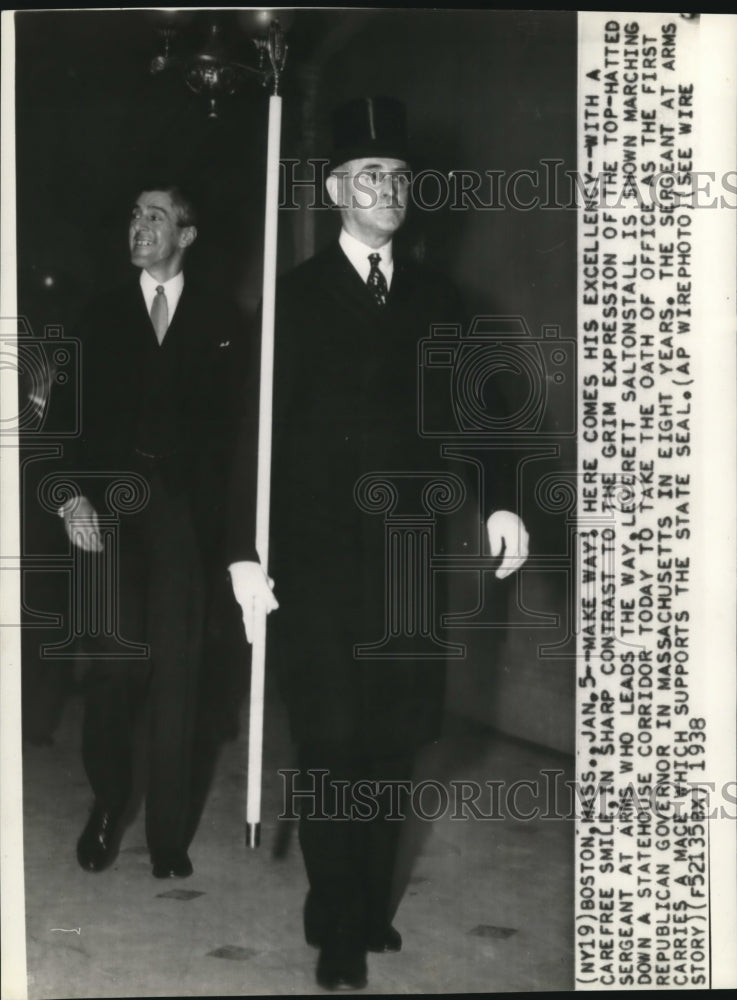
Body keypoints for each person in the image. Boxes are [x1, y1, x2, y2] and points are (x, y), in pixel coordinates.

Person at [227, 97, 529, 990]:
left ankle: (367, 900)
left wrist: (501, 503)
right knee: (329, 736)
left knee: (394, 739)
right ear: (333, 191)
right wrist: (245, 552)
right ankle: (337, 919)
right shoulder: (293, 300)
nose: (387, 189)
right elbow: (253, 430)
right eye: (368, 175)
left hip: (406, 554)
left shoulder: (439, 299)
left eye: (398, 176)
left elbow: (480, 412)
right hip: (315, 559)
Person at [60, 184, 248, 879]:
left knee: (180, 677)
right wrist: (69, 497)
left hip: (184, 522)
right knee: (113, 669)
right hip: (107, 514)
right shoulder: (99, 314)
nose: (139, 226)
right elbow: (60, 424)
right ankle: (110, 805)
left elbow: (238, 440)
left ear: (187, 235)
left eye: (156, 216)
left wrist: (236, 543)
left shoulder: (224, 319)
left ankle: (169, 836)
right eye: (134, 215)